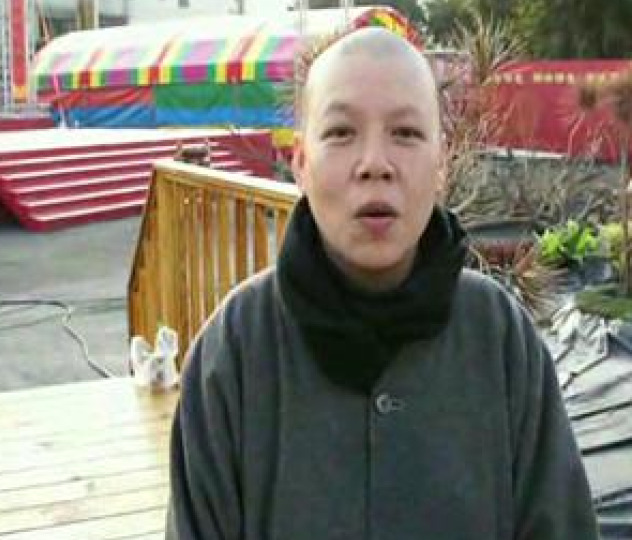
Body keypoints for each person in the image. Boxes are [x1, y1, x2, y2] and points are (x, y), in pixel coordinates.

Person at [169, 27, 599, 540]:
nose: (375, 164)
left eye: (406, 133)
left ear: (442, 163)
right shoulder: (234, 351)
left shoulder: (500, 339)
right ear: (300, 163)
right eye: (341, 133)